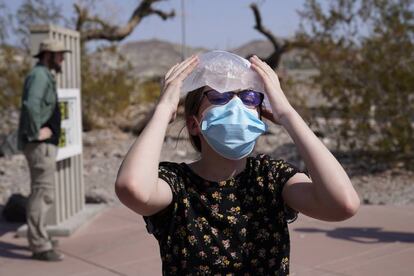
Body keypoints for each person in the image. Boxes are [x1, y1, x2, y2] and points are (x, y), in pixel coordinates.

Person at [115, 51, 360, 275]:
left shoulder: (270, 177)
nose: (236, 105)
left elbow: (342, 204)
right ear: (194, 124)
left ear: (262, 115)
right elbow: (132, 188)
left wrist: (288, 115)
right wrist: (164, 108)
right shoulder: (177, 183)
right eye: (220, 95)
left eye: (249, 97)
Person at [17, 39, 71, 262]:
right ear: (47, 54)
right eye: (59, 54)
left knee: (42, 192)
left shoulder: (43, 74)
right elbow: (31, 105)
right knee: (42, 193)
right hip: (40, 145)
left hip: (44, 146)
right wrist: (35, 132)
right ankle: (40, 245)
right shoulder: (39, 75)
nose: (62, 58)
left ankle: (40, 237)